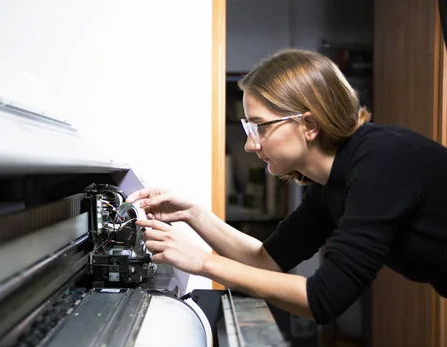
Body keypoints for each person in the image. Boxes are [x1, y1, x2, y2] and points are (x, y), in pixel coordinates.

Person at [126, 48, 447, 324]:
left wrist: (202, 262)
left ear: (308, 125)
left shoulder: (381, 160)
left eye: (260, 127)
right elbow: (268, 260)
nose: (251, 145)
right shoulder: (331, 184)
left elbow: (324, 297)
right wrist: (195, 215)